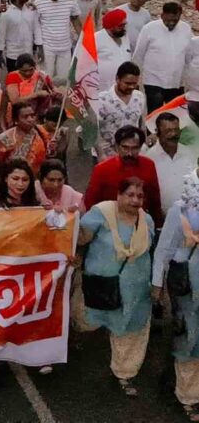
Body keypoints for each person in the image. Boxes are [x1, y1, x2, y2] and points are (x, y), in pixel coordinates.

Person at [78, 177, 155, 397]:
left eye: (140, 196)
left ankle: (125, 374)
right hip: (101, 286)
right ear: (119, 195)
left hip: (136, 289)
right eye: (130, 195)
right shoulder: (101, 213)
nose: (135, 200)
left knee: (132, 330)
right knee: (86, 321)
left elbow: (152, 250)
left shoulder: (146, 220)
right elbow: (81, 239)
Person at [152, 170, 199, 419]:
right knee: (188, 336)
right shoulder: (180, 209)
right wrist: (157, 287)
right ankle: (188, 397)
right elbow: (163, 251)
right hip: (186, 283)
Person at [84, 126, 163, 224]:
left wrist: (158, 225)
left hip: (140, 224)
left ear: (140, 147)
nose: (129, 153)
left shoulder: (148, 165)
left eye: (134, 148)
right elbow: (91, 203)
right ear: (117, 147)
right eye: (125, 148)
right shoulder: (102, 169)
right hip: (109, 225)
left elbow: (155, 200)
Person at [132, 0, 192, 112]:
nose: (172, 23)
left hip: (177, 82)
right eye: (169, 20)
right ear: (162, 15)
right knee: (155, 116)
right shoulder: (149, 29)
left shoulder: (186, 29)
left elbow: (189, 57)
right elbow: (138, 55)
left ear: (180, 16)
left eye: (175, 20)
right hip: (154, 81)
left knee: (175, 116)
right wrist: (134, 80)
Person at [93, 62, 146, 162]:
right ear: (117, 79)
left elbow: (140, 122)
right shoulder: (102, 100)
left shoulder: (139, 97)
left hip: (131, 155)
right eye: (127, 83)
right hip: (106, 156)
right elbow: (92, 129)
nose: (131, 87)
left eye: (134, 84)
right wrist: (101, 154)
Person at [144, 110, 194, 213]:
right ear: (157, 132)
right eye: (168, 131)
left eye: (176, 130)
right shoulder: (149, 159)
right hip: (161, 220)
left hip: (191, 217)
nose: (174, 134)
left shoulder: (189, 153)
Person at [33, 0, 80, 82]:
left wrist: (82, 37)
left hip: (65, 46)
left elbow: (75, 19)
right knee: (46, 78)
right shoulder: (39, 3)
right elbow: (36, 27)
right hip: (47, 47)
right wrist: (39, 47)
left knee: (63, 78)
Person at [0, 101, 50, 176]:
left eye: (32, 116)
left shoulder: (41, 132)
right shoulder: (5, 138)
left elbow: (48, 153)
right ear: (16, 120)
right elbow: (0, 163)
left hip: (37, 178)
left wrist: (52, 147)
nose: (30, 119)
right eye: (25, 117)